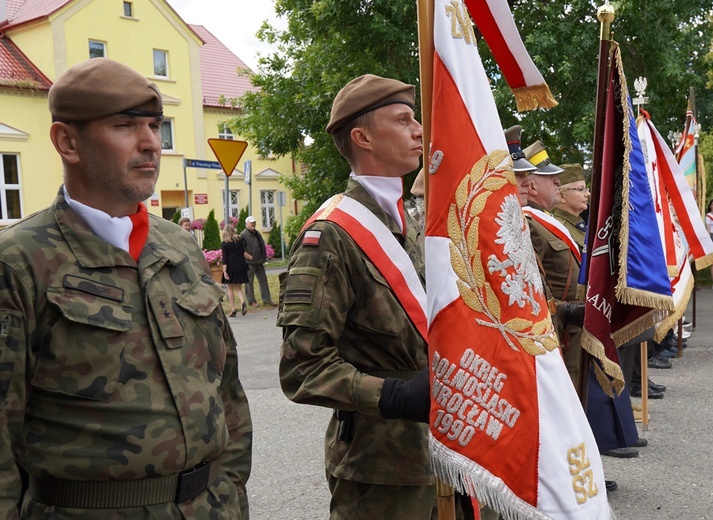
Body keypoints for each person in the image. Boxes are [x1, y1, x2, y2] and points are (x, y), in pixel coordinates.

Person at [0, 58, 252, 519]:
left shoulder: (179, 246)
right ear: (67, 141)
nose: (151, 143)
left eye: (155, 126)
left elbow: (227, 387)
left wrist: (231, 490)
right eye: (125, 125)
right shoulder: (19, 261)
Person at [277, 74, 434, 519]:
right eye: (404, 119)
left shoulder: (413, 221)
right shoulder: (331, 234)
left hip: (448, 453)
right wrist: (392, 396)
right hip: (382, 470)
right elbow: (302, 366)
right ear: (362, 137)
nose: (419, 129)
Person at [240, 216, 274, 307]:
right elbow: (241, 250)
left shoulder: (257, 233)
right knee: (249, 282)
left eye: (254, 222)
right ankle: (251, 301)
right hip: (249, 262)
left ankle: (267, 300)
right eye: (251, 222)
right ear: (246, 224)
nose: (253, 224)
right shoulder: (243, 235)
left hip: (259, 261)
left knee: (263, 280)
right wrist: (250, 257)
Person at [222, 224, 252, 317]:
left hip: (231, 267)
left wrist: (224, 271)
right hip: (241, 266)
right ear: (233, 231)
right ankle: (243, 302)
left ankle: (233, 308)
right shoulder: (240, 240)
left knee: (230, 289)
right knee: (238, 288)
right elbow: (244, 252)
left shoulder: (225, 244)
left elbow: (225, 259)